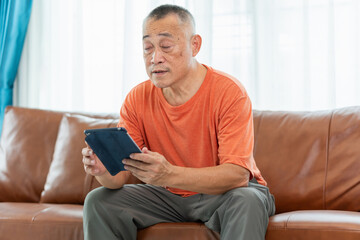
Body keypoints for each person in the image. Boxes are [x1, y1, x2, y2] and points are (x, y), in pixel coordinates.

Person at [82, 4, 275, 240]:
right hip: (167, 196)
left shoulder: (229, 92)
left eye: (166, 46)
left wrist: (168, 174)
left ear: (195, 45)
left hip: (225, 194)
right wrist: (103, 171)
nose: (155, 58)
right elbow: (120, 177)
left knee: (248, 200)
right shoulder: (137, 98)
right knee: (99, 201)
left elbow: (237, 176)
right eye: (147, 48)